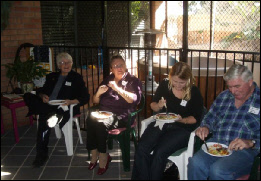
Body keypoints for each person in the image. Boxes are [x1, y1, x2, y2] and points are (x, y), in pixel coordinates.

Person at [132, 62, 204, 180]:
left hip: (182, 128)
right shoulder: (165, 85)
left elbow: (195, 118)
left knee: (160, 153)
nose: (178, 85)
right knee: (142, 148)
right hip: (162, 123)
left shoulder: (194, 91)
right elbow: (153, 106)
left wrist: (183, 120)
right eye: (175, 81)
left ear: (188, 79)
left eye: (182, 82)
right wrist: (159, 105)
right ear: (170, 77)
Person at [188, 64, 260, 180]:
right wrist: (206, 126)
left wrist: (251, 142)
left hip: (244, 151)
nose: (232, 91)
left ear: (250, 81)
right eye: (230, 86)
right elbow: (210, 118)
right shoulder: (224, 96)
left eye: (237, 86)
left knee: (218, 170)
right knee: (195, 163)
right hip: (217, 144)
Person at [23, 52, 89, 167]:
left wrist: (71, 101)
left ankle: (41, 155)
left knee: (44, 123)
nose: (66, 64)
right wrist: (42, 96)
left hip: (64, 107)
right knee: (28, 95)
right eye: (62, 63)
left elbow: (85, 97)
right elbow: (41, 90)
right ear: (58, 65)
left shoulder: (76, 78)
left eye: (68, 62)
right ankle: (52, 116)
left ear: (72, 63)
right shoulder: (52, 76)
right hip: (48, 105)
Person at [86, 55, 142, 175]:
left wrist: (117, 89)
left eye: (121, 64)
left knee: (100, 124)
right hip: (104, 113)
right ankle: (94, 154)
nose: (119, 68)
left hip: (122, 116)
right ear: (111, 68)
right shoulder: (108, 79)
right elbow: (95, 101)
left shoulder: (133, 80)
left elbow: (134, 100)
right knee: (90, 120)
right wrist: (98, 94)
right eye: (115, 66)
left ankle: (103, 157)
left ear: (125, 66)